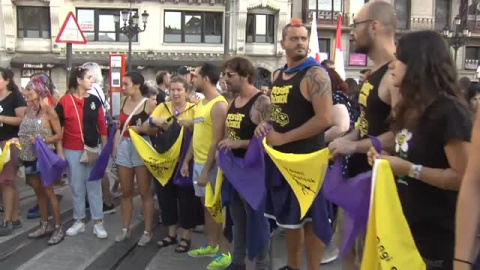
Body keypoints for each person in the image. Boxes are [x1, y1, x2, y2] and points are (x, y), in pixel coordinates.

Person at [368, 30, 471, 270]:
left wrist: (409, 169)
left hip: (436, 240)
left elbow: (464, 179)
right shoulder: (411, 108)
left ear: (418, 64)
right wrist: (386, 161)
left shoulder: (449, 112)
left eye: (399, 59)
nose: (392, 65)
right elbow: (410, 154)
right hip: (405, 232)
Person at [255, 18, 333, 270]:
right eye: (294, 38)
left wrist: (283, 138)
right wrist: (266, 125)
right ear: (283, 43)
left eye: (303, 38)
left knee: (312, 221)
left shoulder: (316, 74)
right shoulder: (278, 74)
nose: (300, 42)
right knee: (289, 221)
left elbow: (325, 119)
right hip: (281, 161)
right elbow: (278, 114)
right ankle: (292, 266)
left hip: (308, 161)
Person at [328, 2, 399, 269]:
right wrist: (347, 138)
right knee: (348, 252)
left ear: (374, 26)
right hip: (356, 179)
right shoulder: (372, 76)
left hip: (379, 184)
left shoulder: (395, 75)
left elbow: (399, 135)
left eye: (355, 24)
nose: (350, 30)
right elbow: (366, 122)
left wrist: (352, 148)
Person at [219, 56, 271, 270]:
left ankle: (261, 263)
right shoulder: (232, 102)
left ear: (246, 76)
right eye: (224, 75)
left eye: (230, 75)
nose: (225, 80)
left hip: (253, 171)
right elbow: (227, 134)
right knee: (237, 218)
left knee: (256, 219)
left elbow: (270, 140)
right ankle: (238, 261)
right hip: (233, 170)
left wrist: (240, 143)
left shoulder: (262, 102)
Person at [141, 76, 204, 253]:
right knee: (165, 198)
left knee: (187, 199)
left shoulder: (194, 108)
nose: (175, 93)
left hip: (185, 161)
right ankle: (171, 234)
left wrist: (191, 122)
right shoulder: (162, 107)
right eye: (173, 90)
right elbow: (146, 126)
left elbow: (203, 123)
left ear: (187, 92)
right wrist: (154, 121)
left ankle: (186, 237)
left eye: (179, 90)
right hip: (165, 161)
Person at [181, 63, 231, 269]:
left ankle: (224, 252)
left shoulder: (219, 105)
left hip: (212, 166)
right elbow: (197, 136)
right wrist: (187, 161)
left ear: (207, 79)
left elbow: (216, 141)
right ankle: (211, 245)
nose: (193, 79)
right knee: (207, 208)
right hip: (198, 163)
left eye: (196, 75)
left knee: (219, 209)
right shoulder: (201, 104)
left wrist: (206, 170)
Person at [56, 66, 108, 239]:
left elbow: (102, 125)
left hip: (93, 148)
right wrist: (60, 152)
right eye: (89, 77)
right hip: (71, 149)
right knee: (77, 187)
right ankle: (79, 220)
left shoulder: (95, 100)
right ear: (79, 80)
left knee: (93, 185)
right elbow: (58, 129)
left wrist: (105, 150)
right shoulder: (64, 101)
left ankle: (98, 222)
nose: (92, 81)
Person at [17, 78, 64, 245]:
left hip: (43, 156)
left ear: (39, 93)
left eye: (31, 95)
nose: (28, 99)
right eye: (27, 96)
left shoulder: (49, 111)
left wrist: (43, 141)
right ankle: (44, 224)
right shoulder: (28, 111)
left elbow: (59, 135)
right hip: (29, 157)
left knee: (50, 192)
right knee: (39, 193)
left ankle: (58, 227)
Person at [113, 71, 156, 246]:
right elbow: (120, 125)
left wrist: (143, 129)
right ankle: (125, 229)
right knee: (126, 191)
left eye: (126, 84)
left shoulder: (148, 105)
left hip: (141, 146)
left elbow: (155, 130)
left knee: (145, 191)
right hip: (125, 146)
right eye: (122, 84)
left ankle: (147, 231)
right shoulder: (123, 101)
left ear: (137, 85)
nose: (123, 88)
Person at [82, 62, 116, 215]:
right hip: (98, 132)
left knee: (100, 169)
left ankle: (106, 201)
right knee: (101, 169)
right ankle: (105, 200)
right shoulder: (98, 90)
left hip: (95, 134)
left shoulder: (92, 90)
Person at [0, 68, 26, 236]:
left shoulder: (15, 97)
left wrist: (1, 118)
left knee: (7, 181)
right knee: (6, 182)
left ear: (7, 80)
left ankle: (7, 220)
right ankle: (15, 218)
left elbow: (22, 120)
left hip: (10, 143)